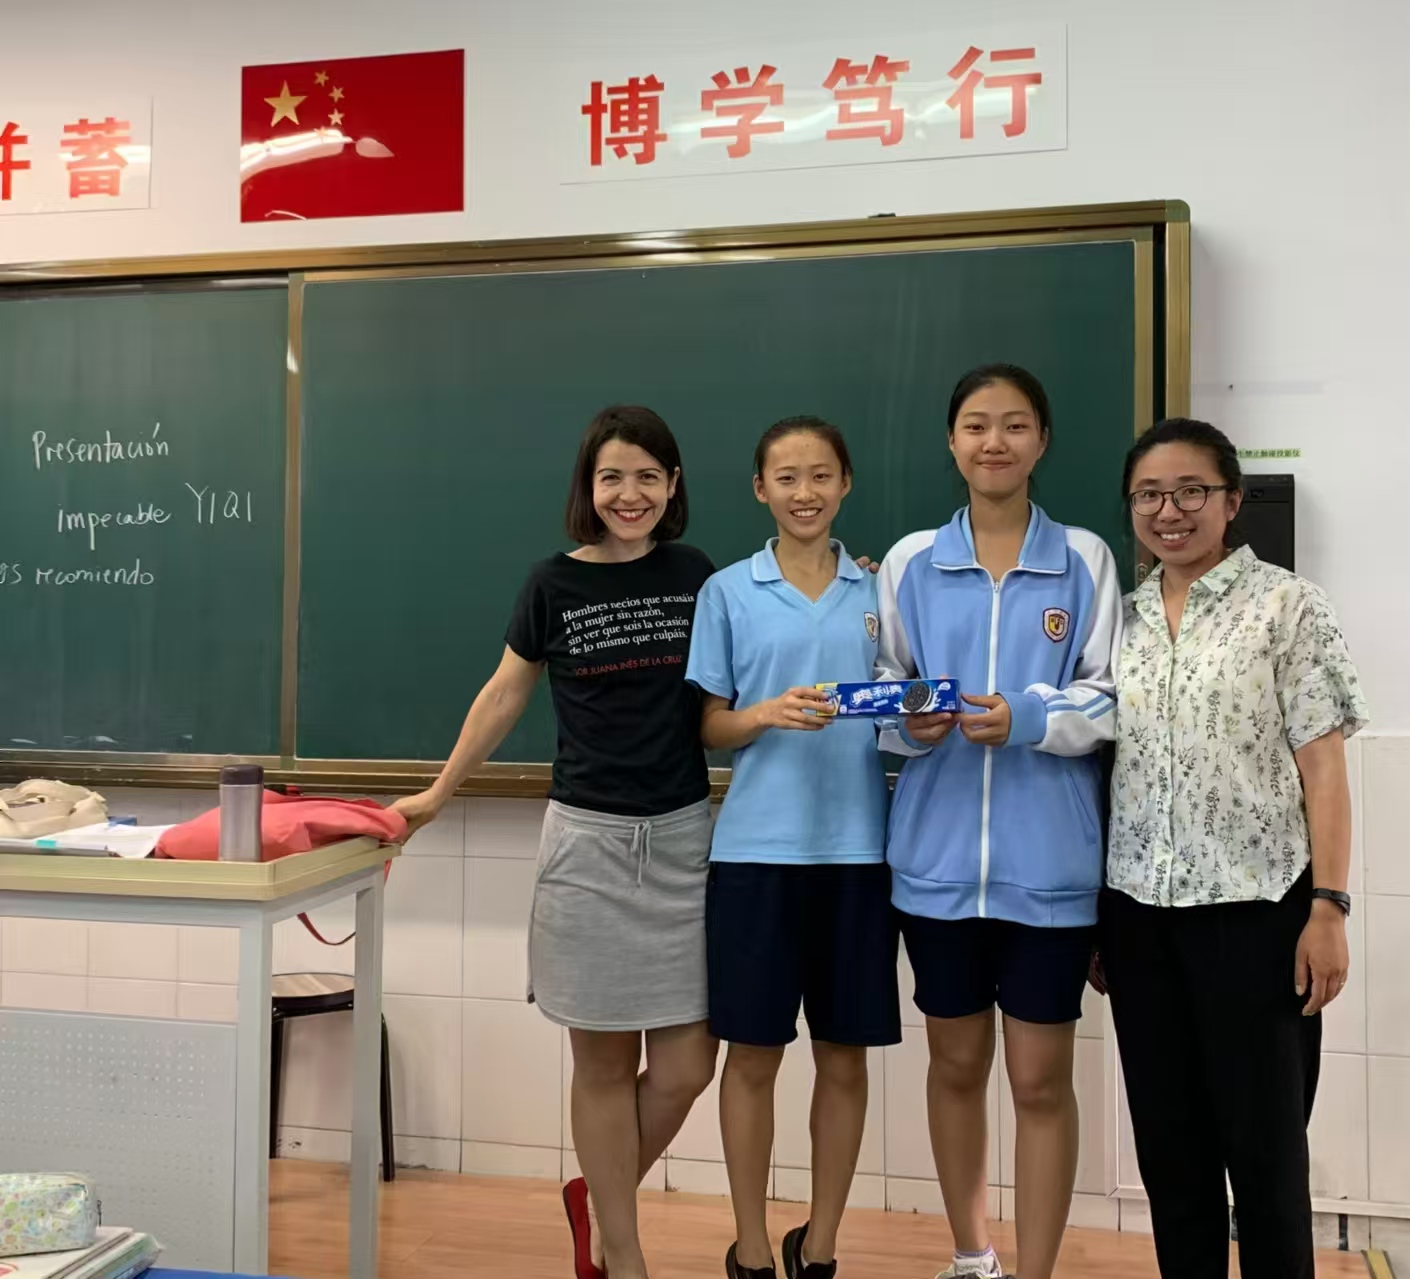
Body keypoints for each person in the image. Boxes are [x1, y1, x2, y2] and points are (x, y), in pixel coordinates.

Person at [394, 406, 719, 1279]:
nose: (630, 492)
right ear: (588, 485)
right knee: (604, 1061)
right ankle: (623, 1251)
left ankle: (595, 1197)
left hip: (686, 840)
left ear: (673, 486)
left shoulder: (698, 574)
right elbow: (504, 694)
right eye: (613, 475)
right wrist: (438, 791)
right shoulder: (552, 584)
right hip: (588, 843)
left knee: (688, 1064)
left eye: (649, 475)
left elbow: (752, 668)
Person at [1100, 418, 1366, 1279]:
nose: (1169, 511)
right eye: (1150, 494)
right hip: (1140, 920)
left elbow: (1323, 771)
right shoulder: (1123, 620)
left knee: (1265, 1162)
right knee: (1170, 1158)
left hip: (1258, 918)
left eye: (1190, 492)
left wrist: (1329, 906)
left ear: (1231, 501)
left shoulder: (1288, 605)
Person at [875, 365, 1121, 1279]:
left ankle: (1037, 1271)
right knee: (954, 1069)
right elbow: (884, 704)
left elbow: (1111, 699)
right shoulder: (907, 562)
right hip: (934, 869)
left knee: (1040, 1082)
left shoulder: (1086, 558)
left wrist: (1025, 715)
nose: (995, 441)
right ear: (951, 441)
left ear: (1042, 441)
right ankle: (973, 1257)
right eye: (976, 424)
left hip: (1051, 871)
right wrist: (912, 721)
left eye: (1015, 425)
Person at [686, 417, 898, 1279]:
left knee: (843, 1057)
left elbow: (914, 705)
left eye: (820, 475)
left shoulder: (885, 591)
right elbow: (706, 725)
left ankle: (825, 1244)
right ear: (759, 489)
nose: (803, 491)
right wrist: (765, 712)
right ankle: (749, 1243)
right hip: (754, 858)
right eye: (785, 476)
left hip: (858, 855)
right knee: (754, 1055)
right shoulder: (729, 591)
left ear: (846, 483)